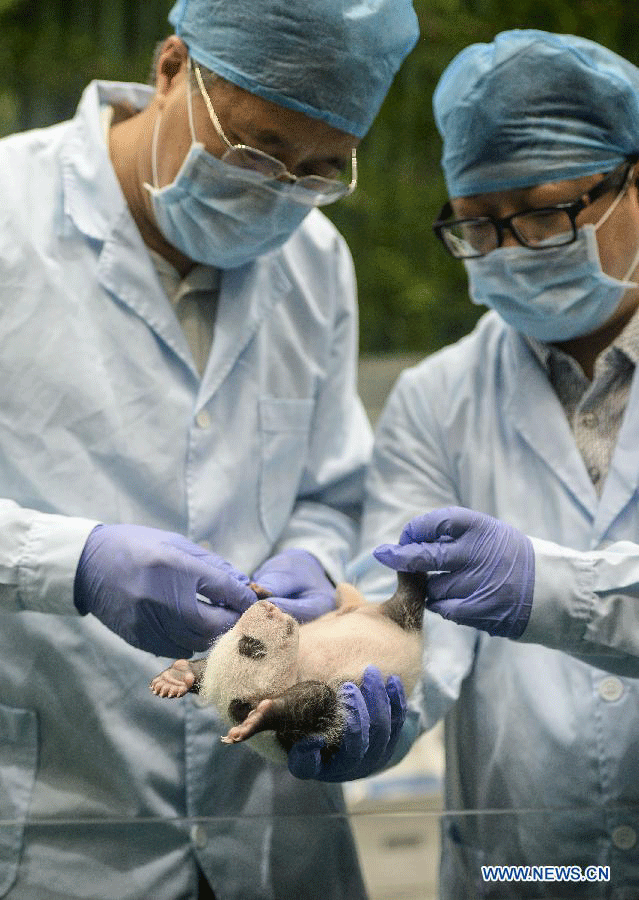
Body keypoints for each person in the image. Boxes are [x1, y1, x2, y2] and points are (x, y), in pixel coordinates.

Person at [0, 0, 419, 897]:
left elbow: (330, 485)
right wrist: (70, 561)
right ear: (171, 66)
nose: (279, 190)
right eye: (257, 150)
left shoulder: (315, 263)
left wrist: (312, 549)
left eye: (317, 168)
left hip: (269, 837)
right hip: (54, 832)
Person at [354, 30, 639, 899]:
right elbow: (406, 624)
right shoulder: (436, 399)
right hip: (524, 865)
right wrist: (355, 685)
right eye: (476, 224)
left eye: (546, 212)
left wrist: (543, 587)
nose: (510, 248)